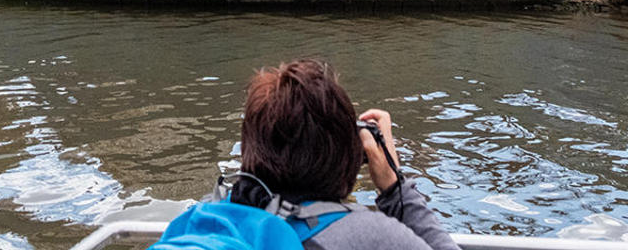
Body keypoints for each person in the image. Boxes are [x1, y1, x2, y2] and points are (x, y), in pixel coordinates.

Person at [153, 58, 457, 250]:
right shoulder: (371, 236)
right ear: (347, 153)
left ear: (251, 147)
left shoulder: (209, 216)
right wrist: (393, 186)